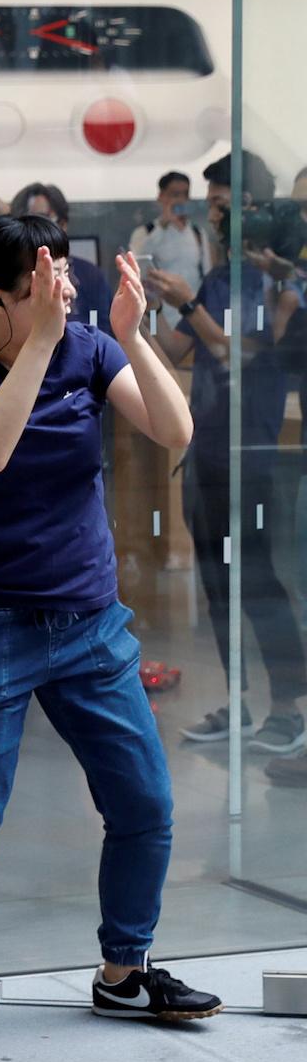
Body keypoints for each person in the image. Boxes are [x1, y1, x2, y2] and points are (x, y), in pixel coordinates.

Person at [0, 214, 219, 1052]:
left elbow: (173, 430)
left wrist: (131, 338)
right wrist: (40, 343)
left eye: (66, 273)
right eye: (48, 279)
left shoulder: (88, 350)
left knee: (145, 804)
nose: (66, 291)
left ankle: (124, 972)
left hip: (90, 625)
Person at [143, 152, 306, 760]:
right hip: (206, 454)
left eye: (222, 207)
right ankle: (236, 701)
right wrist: (147, 311)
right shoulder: (218, 278)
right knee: (219, 585)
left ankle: (288, 709)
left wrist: (189, 306)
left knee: (260, 583)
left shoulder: (276, 277)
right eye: (210, 207)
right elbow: (176, 352)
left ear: (253, 208)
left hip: (253, 457)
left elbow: (244, 354)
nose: (213, 219)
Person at [12, 183, 113, 326]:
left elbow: (102, 330)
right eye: (25, 220)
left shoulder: (89, 274)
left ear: (63, 224)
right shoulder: (8, 274)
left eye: (64, 271)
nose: (33, 229)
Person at [128, 170, 212, 331]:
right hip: (160, 319)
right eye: (174, 194)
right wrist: (164, 224)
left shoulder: (198, 233)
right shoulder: (144, 233)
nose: (180, 200)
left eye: (184, 194)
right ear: (161, 197)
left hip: (192, 317)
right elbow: (138, 269)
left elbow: (207, 275)